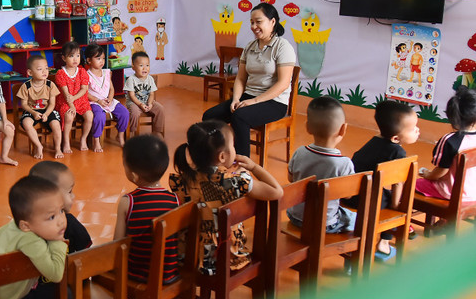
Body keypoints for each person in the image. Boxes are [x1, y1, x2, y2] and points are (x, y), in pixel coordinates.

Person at [169, 120, 283, 274]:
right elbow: (276, 191)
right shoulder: (237, 181)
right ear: (222, 156)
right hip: (227, 257)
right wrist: (254, 167)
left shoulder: (180, 181)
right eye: (233, 146)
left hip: (190, 256)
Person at [202, 2, 296, 157]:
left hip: (274, 102)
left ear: (272, 22)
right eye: (252, 22)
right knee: (209, 116)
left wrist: (254, 101)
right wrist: (236, 99)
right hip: (248, 97)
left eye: (258, 22)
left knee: (240, 116)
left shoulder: (283, 47)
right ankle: (217, 155)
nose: (254, 26)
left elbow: (283, 84)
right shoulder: (250, 47)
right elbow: (240, 78)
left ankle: (242, 164)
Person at [350, 100, 420, 257]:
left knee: (385, 196)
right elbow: (397, 184)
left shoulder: (373, 142)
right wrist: (395, 206)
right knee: (394, 205)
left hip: (351, 196)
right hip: (369, 199)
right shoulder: (398, 153)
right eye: (412, 129)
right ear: (395, 138)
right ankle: (384, 242)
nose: (417, 130)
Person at [114, 135, 179, 284]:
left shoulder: (128, 202)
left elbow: (118, 244)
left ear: (134, 176)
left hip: (136, 275)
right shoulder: (175, 200)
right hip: (169, 274)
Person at [287, 96, 355, 233]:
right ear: (343, 129)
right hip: (325, 223)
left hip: (295, 217)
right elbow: (348, 195)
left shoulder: (299, 152)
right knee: (354, 217)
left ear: (307, 127)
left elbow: (291, 178)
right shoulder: (344, 163)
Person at [416, 87, 476, 202]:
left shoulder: (450, 140)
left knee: (411, 184)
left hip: (452, 193)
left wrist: (427, 174)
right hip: (473, 193)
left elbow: (441, 171)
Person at [29, 161, 92, 253]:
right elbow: (87, 256)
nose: (73, 196)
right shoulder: (70, 223)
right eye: (70, 192)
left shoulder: (25, 226)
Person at [16, 55, 63, 160]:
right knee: (26, 123)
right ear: (30, 72)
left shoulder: (50, 85)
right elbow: (24, 104)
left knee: (56, 124)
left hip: (47, 110)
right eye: (39, 69)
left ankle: (58, 148)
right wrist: (33, 113)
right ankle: (38, 146)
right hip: (31, 110)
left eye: (46, 68)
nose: (44, 71)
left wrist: (46, 114)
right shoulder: (26, 86)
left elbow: (52, 104)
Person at [85, 44, 128, 152]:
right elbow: (85, 93)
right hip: (94, 102)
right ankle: (96, 140)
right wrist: (98, 101)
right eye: (98, 58)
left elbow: (111, 89)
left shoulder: (106, 73)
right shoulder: (86, 75)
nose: (102, 61)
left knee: (124, 113)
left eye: (103, 58)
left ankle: (120, 136)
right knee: (99, 117)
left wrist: (110, 98)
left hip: (108, 100)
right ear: (89, 60)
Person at [54, 41, 93, 154]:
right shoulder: (60, 73)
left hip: (81, 100)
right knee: (69, 116)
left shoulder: (82, 71)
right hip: (65, 101)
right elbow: (66, 94)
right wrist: (72, 106)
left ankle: (83, 139)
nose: (75, 59)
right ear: (64, 58)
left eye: (78, 55)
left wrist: (74, 98)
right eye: (71, 56)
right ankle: (66, 141)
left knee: (89, 116)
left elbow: (84, 89)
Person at [123, 51, 165, 138]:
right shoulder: (131, 79)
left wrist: (150, 103)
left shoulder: (150, 79)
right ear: (133, 67)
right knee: (134, 112)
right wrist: (140, 104)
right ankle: (132, 131)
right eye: (141, 65)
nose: (144, 68)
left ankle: (157, 131)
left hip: (147, 101)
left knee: (160, 109)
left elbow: (152, 94)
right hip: (134, 103)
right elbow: (132, 96)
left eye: (147, 65)